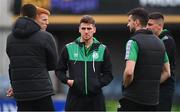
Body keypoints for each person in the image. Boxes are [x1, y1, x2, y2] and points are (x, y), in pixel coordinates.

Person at [55, 15, 113, 111]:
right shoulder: (68, 48)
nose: (86, 31)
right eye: (83, 28)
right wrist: (68, 81)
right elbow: (59, 70)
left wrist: (97, 84)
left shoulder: (103, 49)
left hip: (96, 99)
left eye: (89, 28)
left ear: (94, 29)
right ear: (79, 29)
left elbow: (108, 74)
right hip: (75, 98)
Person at [6, 4, 58, 111]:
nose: (47, 22)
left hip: (21, 93)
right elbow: (53, 64)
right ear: (35, 17)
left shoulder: (10, 37)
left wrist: (14, 85)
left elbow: (13, 64)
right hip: (41, 91)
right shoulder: (45, 36)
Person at [118, 8, 170, 111]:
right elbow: (167, 72)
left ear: (136, 22)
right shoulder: (160, 43)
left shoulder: (132, 42)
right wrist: (150, 86)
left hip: (132, 100)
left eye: (129, 21)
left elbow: (129, 72)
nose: (128, 24)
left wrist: (126, 85)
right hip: (153, 102)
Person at [147, 12, 176, 111]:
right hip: (155, 88)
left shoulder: (167, 41)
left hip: (164, 89)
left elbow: (165, 71)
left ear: (160, 26)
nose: (147, 27)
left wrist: (149, 86)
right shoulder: (156, 40)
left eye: (150, 24)